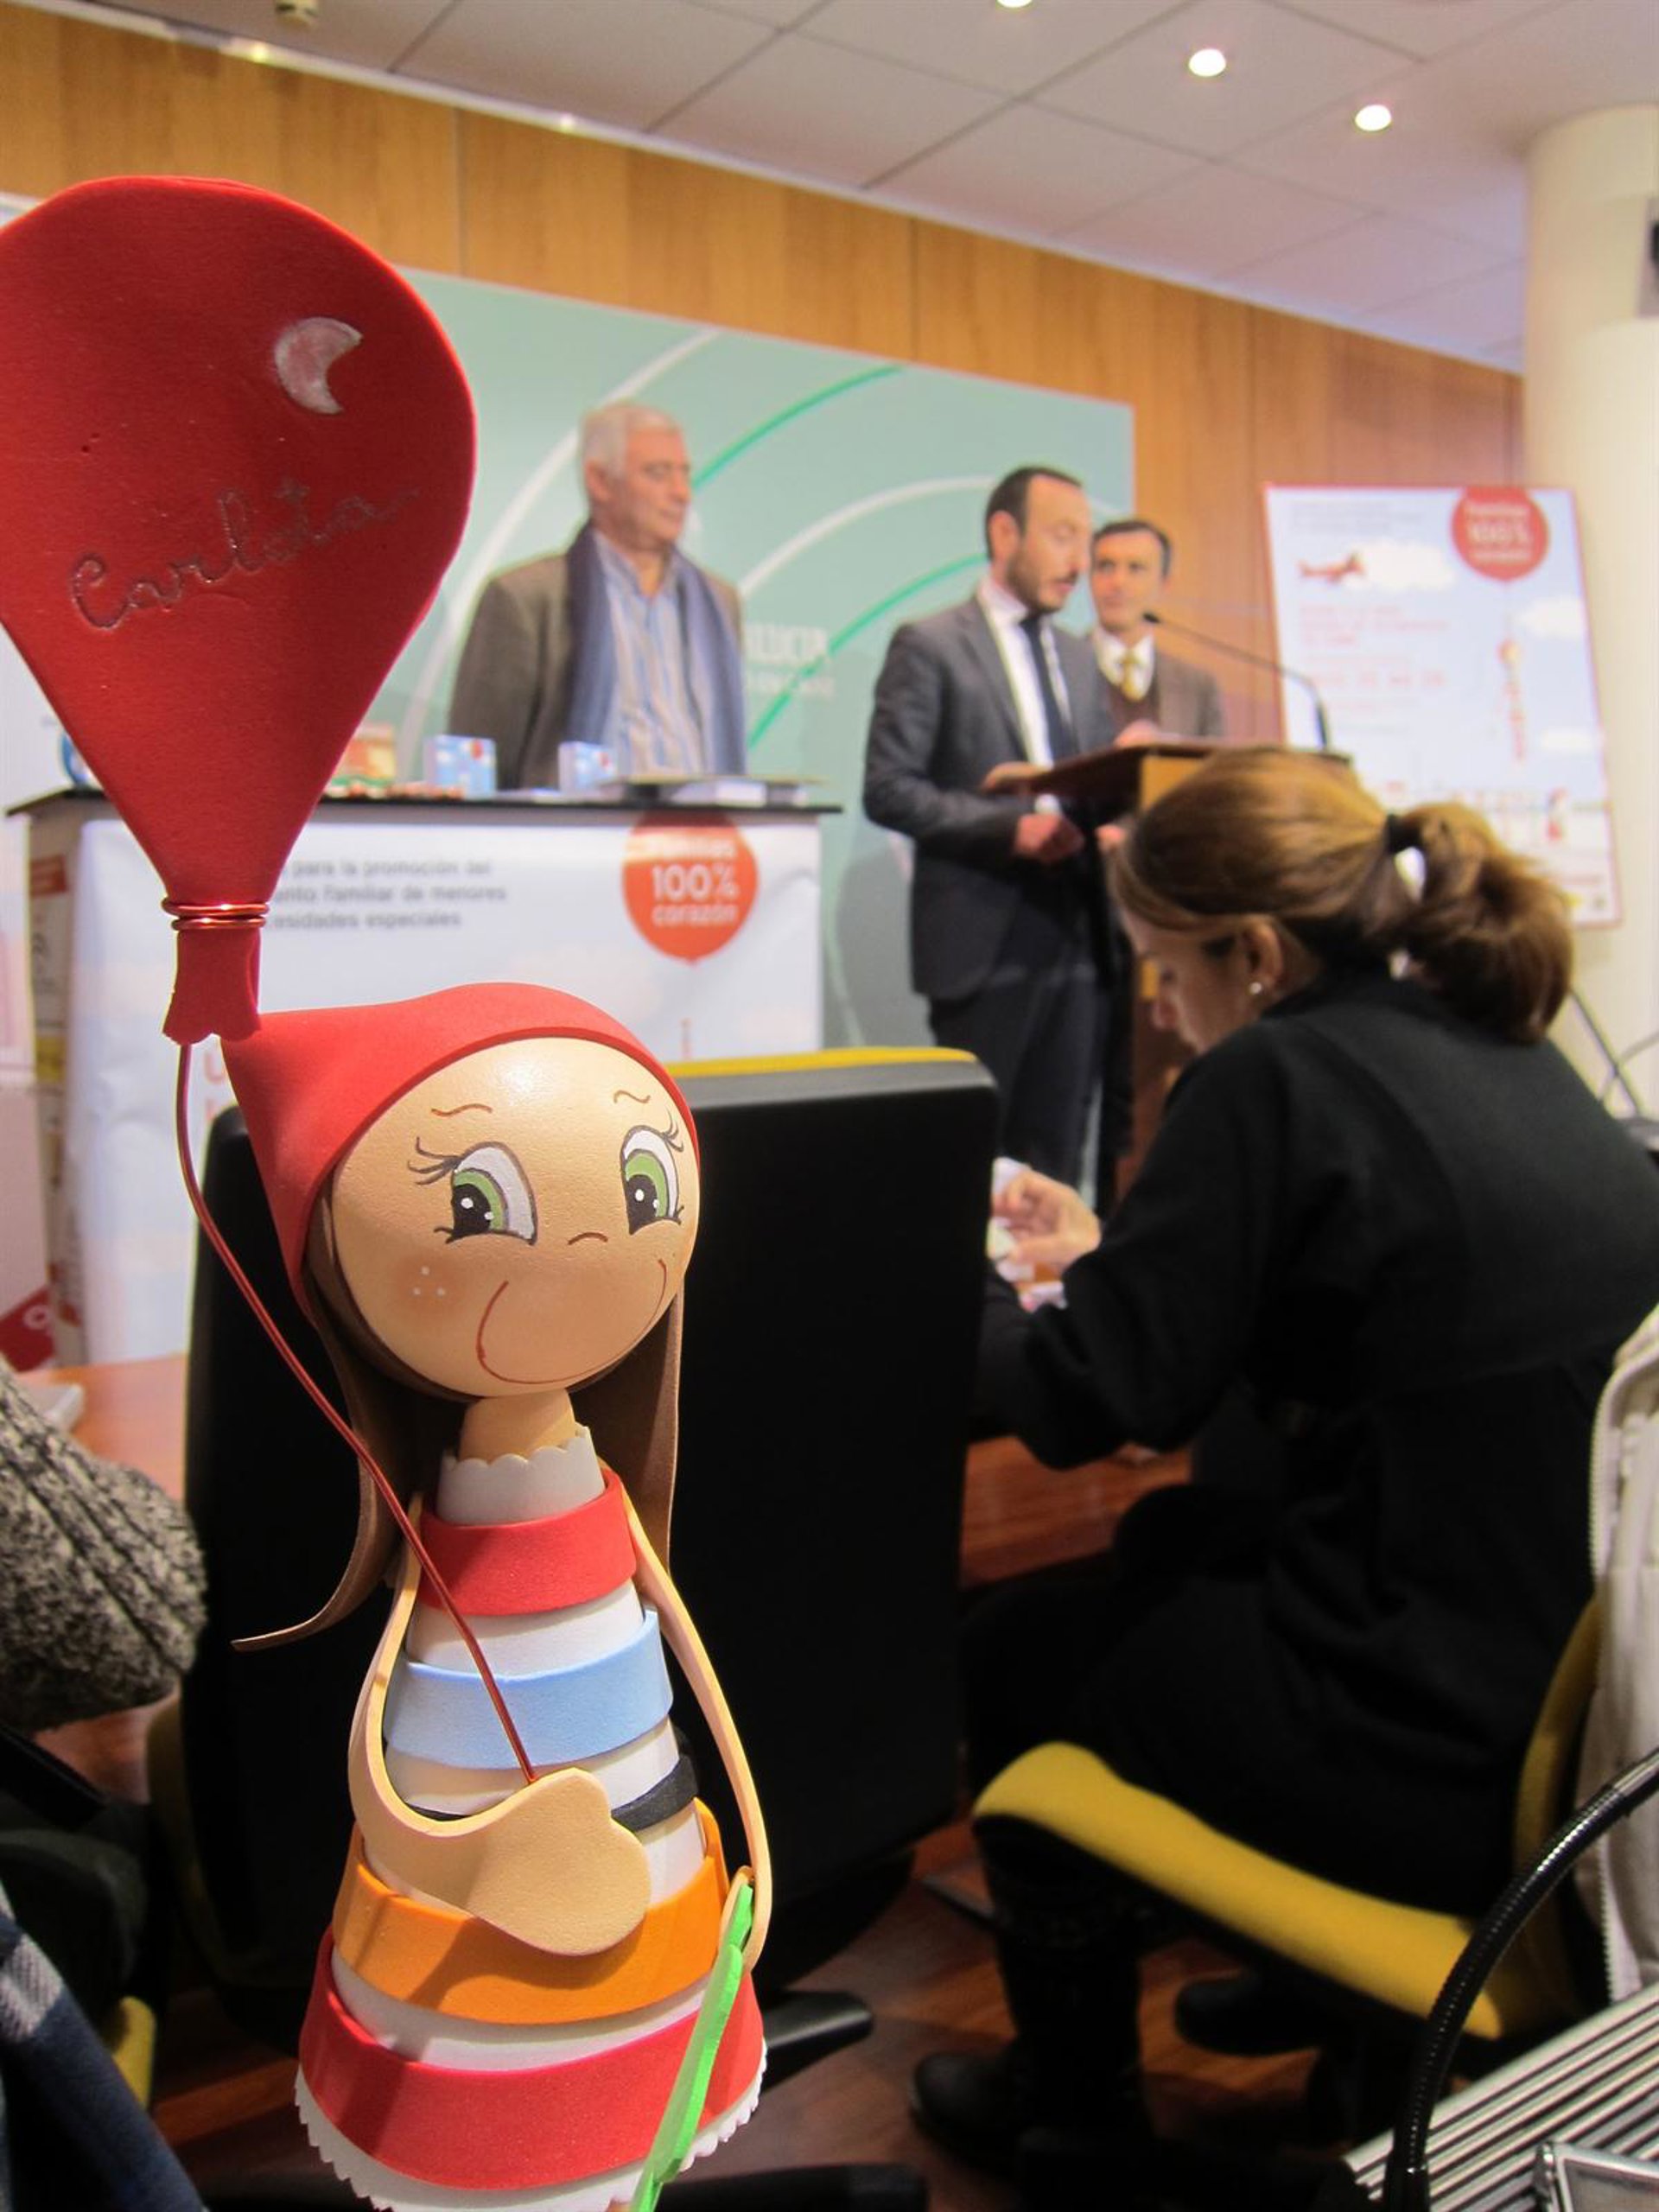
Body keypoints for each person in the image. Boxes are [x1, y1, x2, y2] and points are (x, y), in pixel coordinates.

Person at [912, 747, 1659, 2186]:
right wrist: (1129, 1262)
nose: (1160, 1004)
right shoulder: (1501, 1045)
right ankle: (1320, 2007)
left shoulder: (1270, 1076)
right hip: (1564, 1709)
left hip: (1432, 1750)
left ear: (1253, 955)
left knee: (1014, 1652)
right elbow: (1363, 1307)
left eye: (1166, 965)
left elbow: (1084, 1399)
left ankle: (1070, 2114)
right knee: (1173, 1548)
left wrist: (961, 1277)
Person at [862, 466, 1110, 1185]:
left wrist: (1122, 800)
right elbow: (889, 789)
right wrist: (1011, 828)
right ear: (1005, 534)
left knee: (1056, 1165)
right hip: (982, 939)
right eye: (1062, 536)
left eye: (1085, 541)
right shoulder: (932, 643)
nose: (1079, 561)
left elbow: (1090, 782)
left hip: (1077, 937)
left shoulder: (1080, 656)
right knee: (970, 1169)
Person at [448, 402, 747, 787]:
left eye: (684, 473)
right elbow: (479, 765)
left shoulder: (720, 602)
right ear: (600, 481)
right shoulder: (526, 598)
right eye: (658, 473)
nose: (681, 493)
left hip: (702, 824)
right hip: (575, 823)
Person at [1090, 517, 1225, 739]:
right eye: (1106, 567)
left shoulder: (1198, 687)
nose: (1118, 582)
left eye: (1135, 568)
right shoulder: (1062, 669)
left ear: (1165, 584)